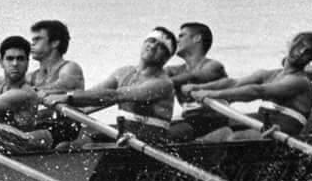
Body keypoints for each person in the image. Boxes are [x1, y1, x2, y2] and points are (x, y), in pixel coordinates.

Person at [43, 27, 178, 149]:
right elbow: (91, 96)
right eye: (151, 40)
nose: (153, 46)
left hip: (149, 144)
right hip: (125, 137)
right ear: (143, 43)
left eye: (161, 46)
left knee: (80, 147)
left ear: (166, 58)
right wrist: (49, 104)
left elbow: (113, 96)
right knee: (65, 146)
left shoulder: (162, 83)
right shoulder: (124, 72)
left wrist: (68, 97)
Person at [186, 31, 312, 142]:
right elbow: (233, 83)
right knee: (217, 134)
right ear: (290, 44)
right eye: (299, 46)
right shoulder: (269, 74)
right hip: (265, 130)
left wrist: (211, 95)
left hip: (279, 139)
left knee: (232, 138)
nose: (300, 53)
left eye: (307, 52)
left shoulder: (299, 82)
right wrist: (199, 88)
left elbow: (257, 91)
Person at [166, 22, 227, 102]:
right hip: (189, 114)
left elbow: (195, 76)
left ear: (197, 38)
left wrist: (161, 81)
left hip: (216, 114)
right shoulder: (173, 70)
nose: (177, 40)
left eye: (182, 36)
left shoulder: (214, 66)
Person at [27, 19, 84, 94]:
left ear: (55, 43)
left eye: (38, 39)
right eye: (33, 40)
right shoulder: (31, 76)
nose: (32, 44)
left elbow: (63, 86)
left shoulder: (70, 68)